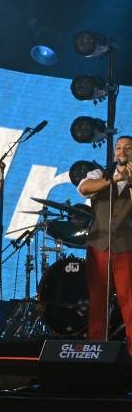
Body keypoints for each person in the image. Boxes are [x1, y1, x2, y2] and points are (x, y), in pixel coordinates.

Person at [77, 135, 132, 354]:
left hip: (125, 246)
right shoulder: (101, 173)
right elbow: (84, 188)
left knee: (129, 300)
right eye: (118, 148)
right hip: (98, 245)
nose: (122, 151)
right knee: (97, 299)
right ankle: (95, 349)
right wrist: (114, 181)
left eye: (128, 148)